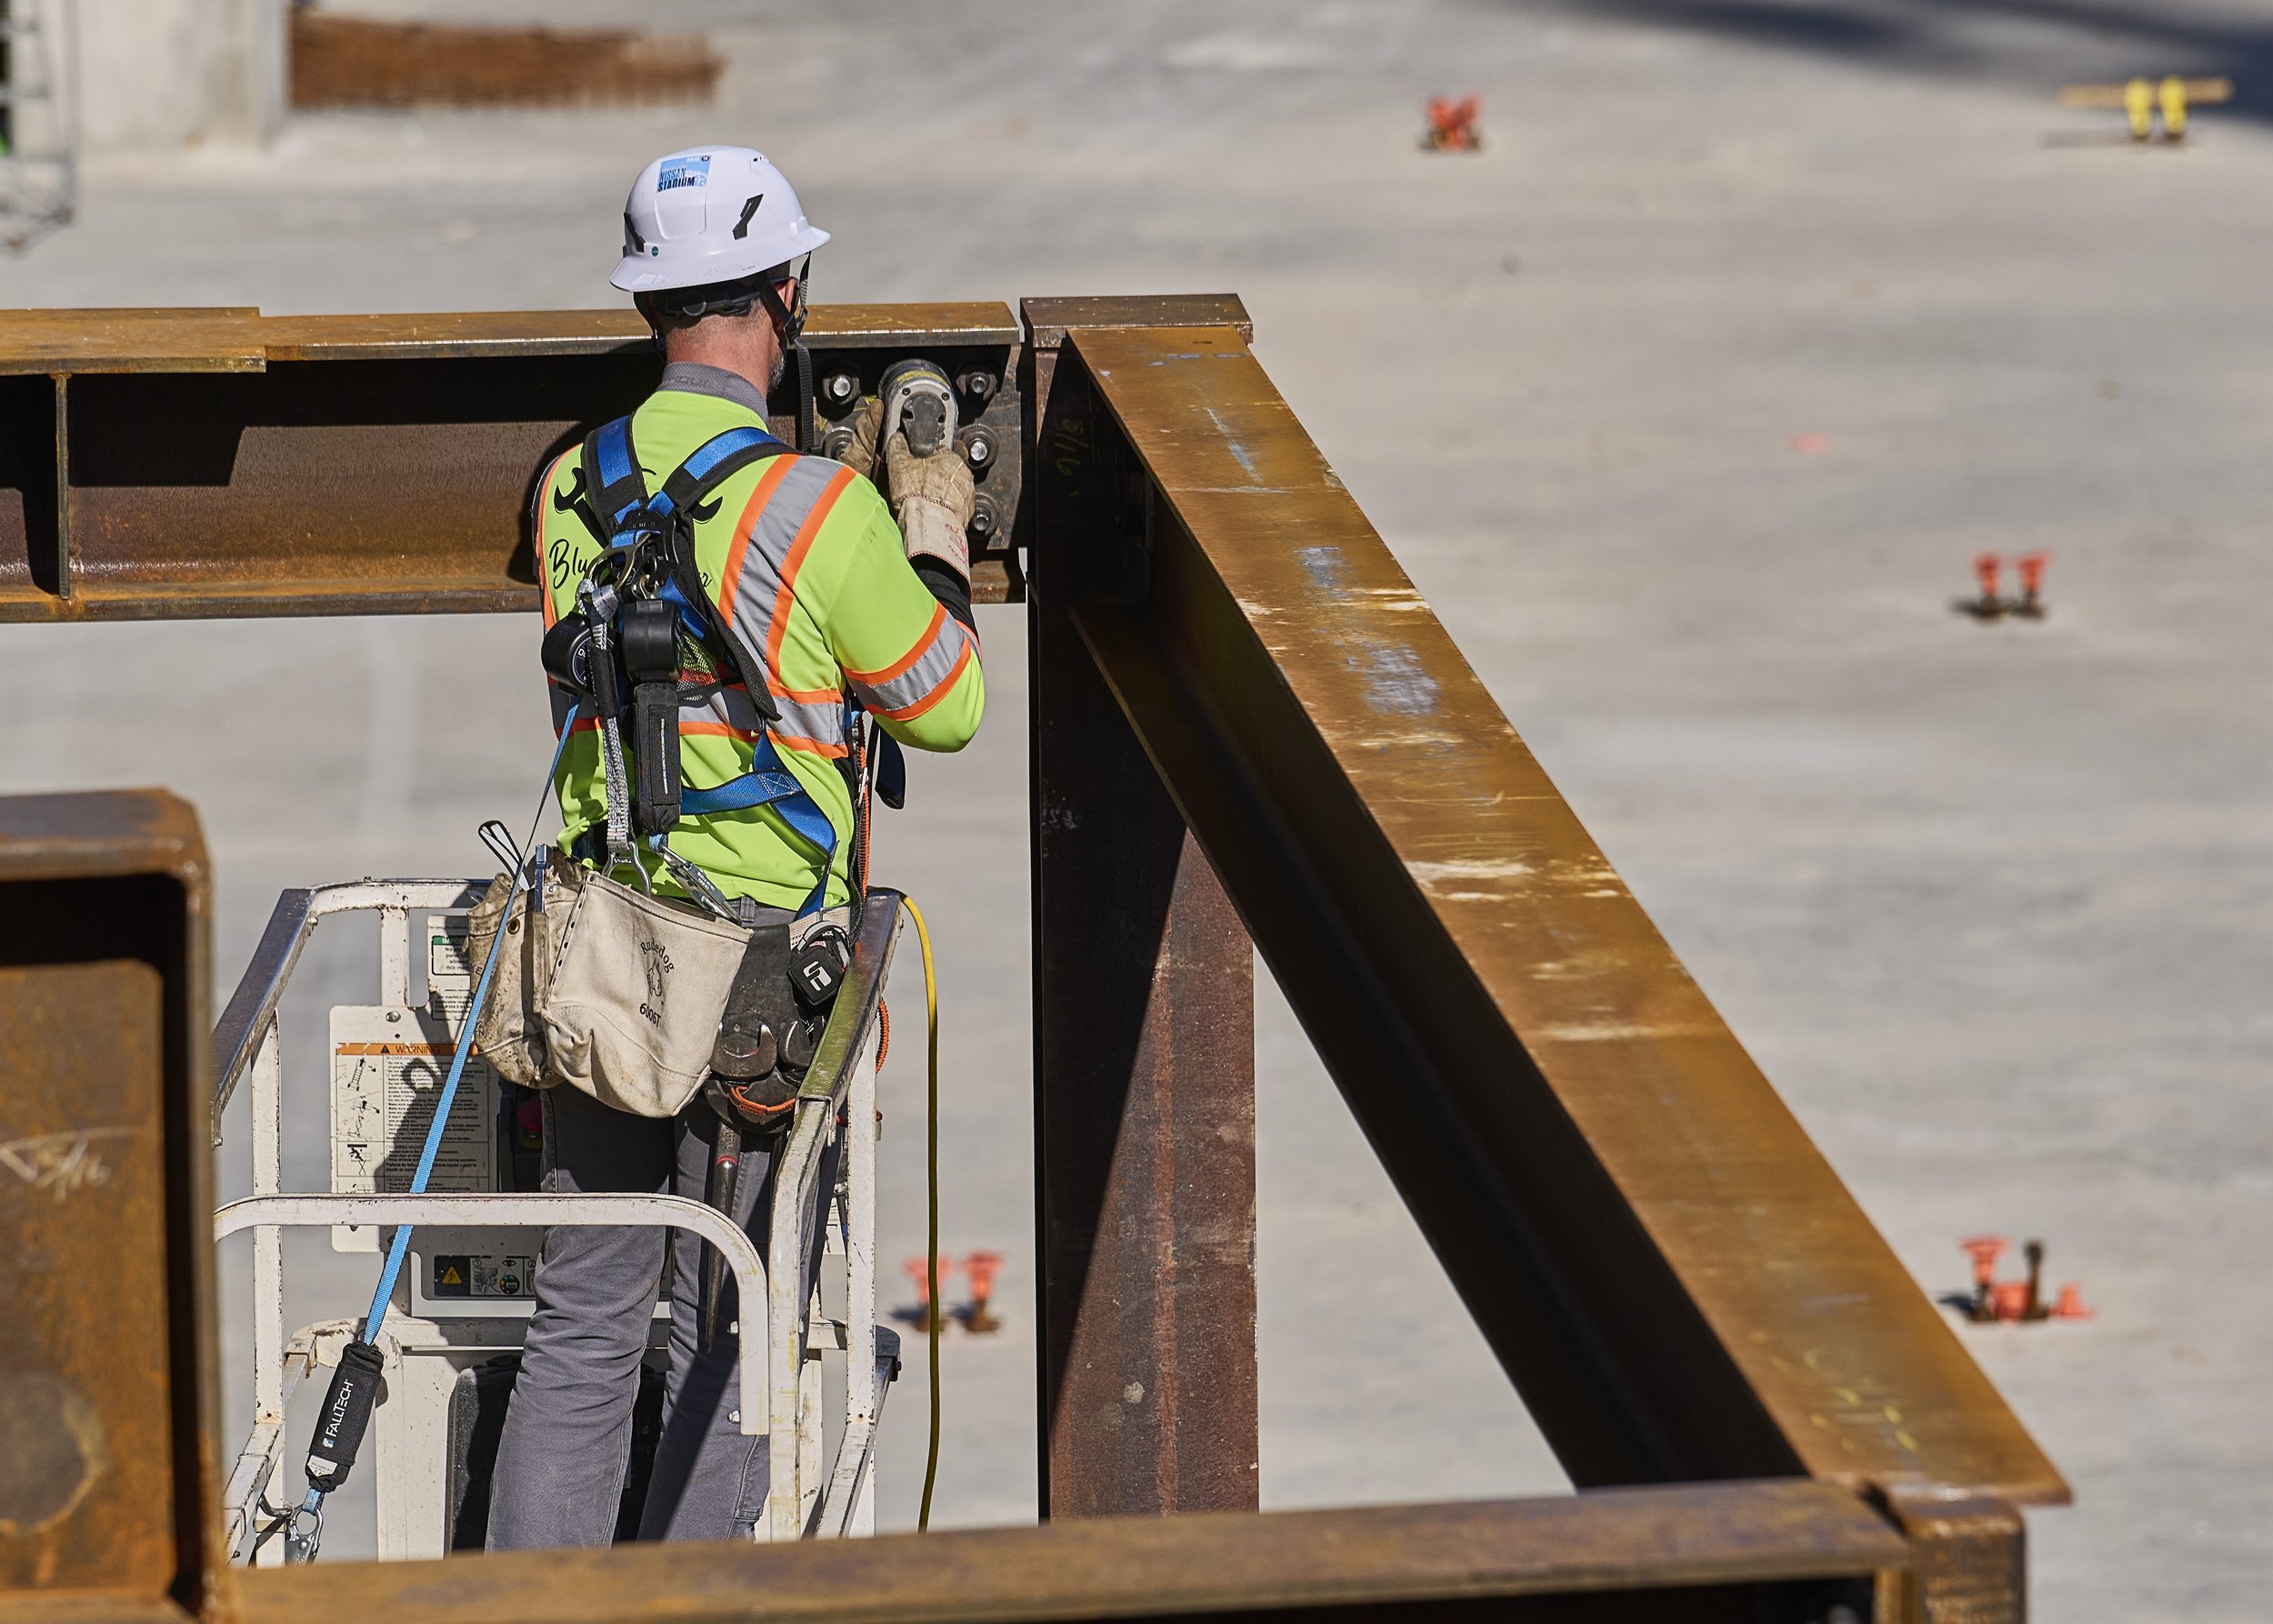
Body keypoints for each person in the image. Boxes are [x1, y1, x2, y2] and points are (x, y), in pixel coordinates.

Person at [486, 145, 983, 1549]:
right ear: (786, 294)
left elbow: (568, 701)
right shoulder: (822, 511)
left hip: (610, 952)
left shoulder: (568, 489)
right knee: (743, 1328)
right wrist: (928, 530)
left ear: (653, 303)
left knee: (583, 1316)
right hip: (772, 986)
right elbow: (948, 705)